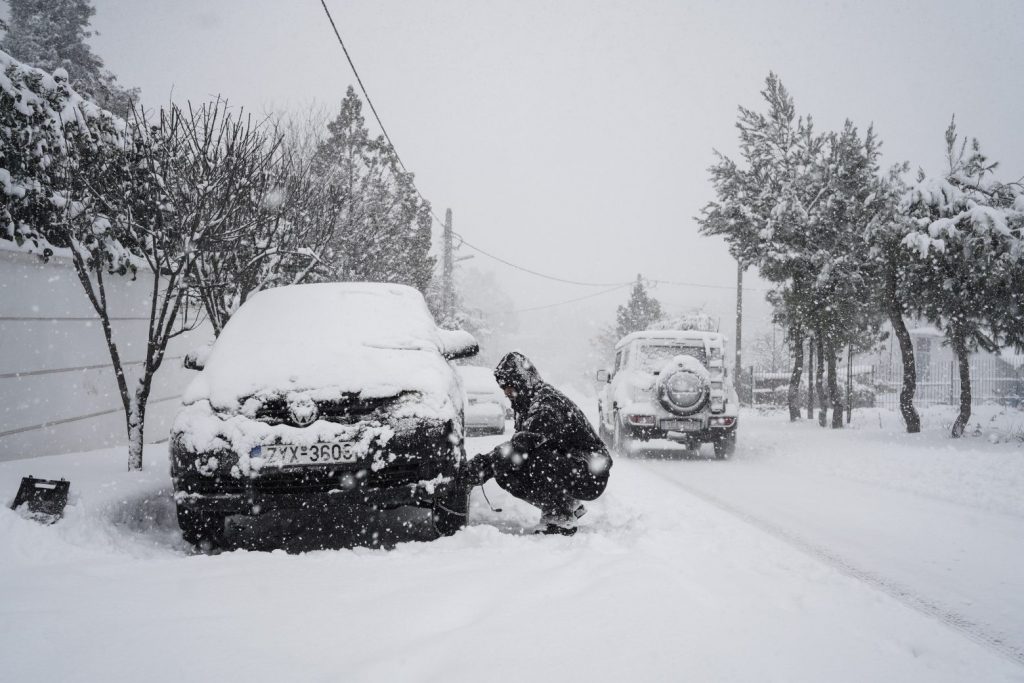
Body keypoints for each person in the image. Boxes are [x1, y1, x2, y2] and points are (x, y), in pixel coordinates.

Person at [460, 351, 613, 535]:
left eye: (509, 385)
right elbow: (516, 445)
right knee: (506, 470)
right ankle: (567, 504)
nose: (506, 392)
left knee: (537, 458)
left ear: (522, 381)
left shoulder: (546, 404)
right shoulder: (525, 403)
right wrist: (487, 467)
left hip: (591, 472)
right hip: (573, 464)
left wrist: (480, 467)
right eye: (503, 387)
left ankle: (560, 516)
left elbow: (520, 447)